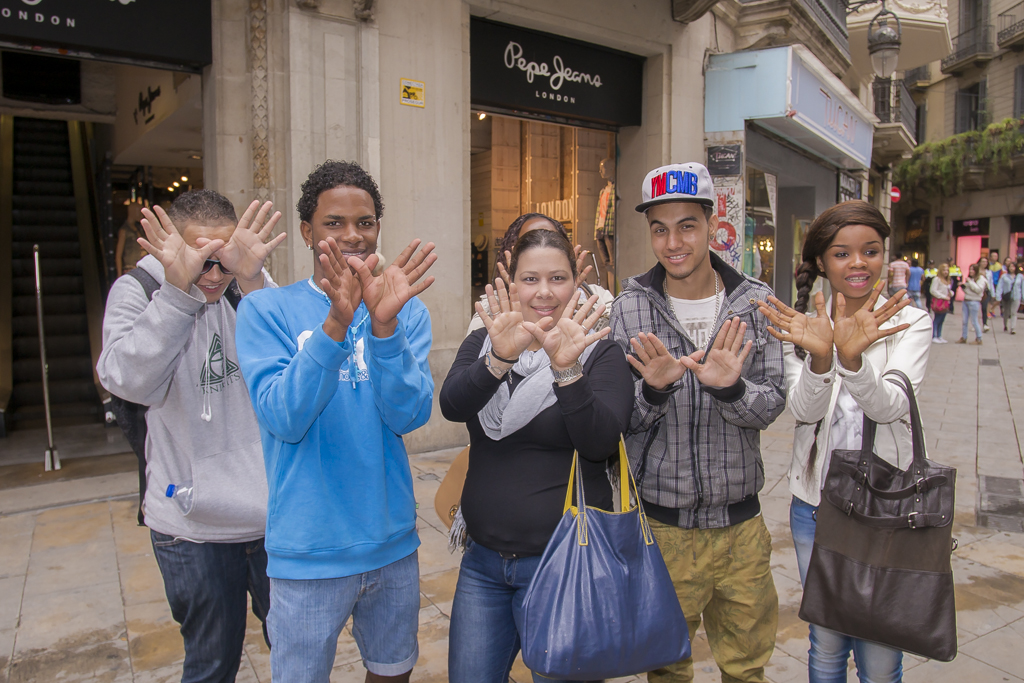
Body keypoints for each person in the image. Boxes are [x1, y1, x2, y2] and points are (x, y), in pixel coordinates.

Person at [234, 161, 436, 683]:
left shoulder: (402, 309)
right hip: (308, 555)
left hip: (391, 545)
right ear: (307, 231)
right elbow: (284, 416)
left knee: (392, 673)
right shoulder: (265, 310)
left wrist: (384, 328)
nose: (353, 235)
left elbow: (409, 414)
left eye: (365, 222)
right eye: (334, 223)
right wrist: (335, 325)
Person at [97, 190, 285, 683]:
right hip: (191, 527)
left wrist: (251, 278)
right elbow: (127, 381)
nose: (213, 274)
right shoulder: (139, 290)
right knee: (211, 663)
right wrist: (177, 294)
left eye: (221, 259)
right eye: (200, 258)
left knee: (296, 647)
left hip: (271, 517)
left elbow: (294, 366)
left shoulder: (247, 286)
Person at [610, 162, 785, 683]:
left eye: (687, 225)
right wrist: (654, 389)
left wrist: (730, 387)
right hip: (663, 529)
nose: (673, 242)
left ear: (713, 224)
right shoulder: (629, 309)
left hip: (742, 529)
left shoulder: (755, 304)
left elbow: (773, 403)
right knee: (665, 668)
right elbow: (621, 421)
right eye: (659, 229)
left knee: (747, 669)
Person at [440, 228, 633, 683]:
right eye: (530, 279)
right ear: (511, 285)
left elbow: (600, 442)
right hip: (483, 564)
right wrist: (498, 360)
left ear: (575, 283)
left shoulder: (599, 352)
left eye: (557, 278)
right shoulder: (486, 342)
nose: (544, 292)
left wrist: (567, 370)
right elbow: (453, 405)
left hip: (564, 564)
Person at [756, 200, 930, 683]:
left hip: (886, 505)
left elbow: (891, 406)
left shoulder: (909, 322)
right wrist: (820, 357)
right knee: (826, 643)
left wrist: (854, 361)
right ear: (822, 263)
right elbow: (805, 412)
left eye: (870, 251)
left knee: (878, 650)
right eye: (842, 253)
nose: (858, 263)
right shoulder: (805, 327)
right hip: (816, 505)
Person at [468, 213, 611, 334]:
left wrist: (572, 299)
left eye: (552, 240)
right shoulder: (489, 309)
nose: (543, 247)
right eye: (529, 241)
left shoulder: (598, 296)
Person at [115, 201, 147, 275]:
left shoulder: (139, 229)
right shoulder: (124, 231)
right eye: (139, 212)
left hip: (141, 268)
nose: (141, 215)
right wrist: (119, 275)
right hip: (130, 269)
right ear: (133, 212)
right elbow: (118, 255)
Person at [959, 262, 988, 345]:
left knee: (974, 320)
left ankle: (979, 338)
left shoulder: (981, 279)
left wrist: (970, 282)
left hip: (974, 301)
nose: (971, 271)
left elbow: (978, 290)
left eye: (973, 269)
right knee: (964, 320)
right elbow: (968, 291)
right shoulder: (970, 278)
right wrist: (963, 287)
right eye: (970, 269)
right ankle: (964, 337)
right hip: (966, 300)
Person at [997, 261, 1023, 334]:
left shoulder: (1020, 276)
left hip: (1016, 296)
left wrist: (1023, 297)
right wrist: (998, 296)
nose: (1012, 268)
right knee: (1006, 312)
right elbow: (1000, 286)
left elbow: (1022, 287)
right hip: (1007, 296)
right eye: (1010, 267)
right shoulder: (1004, 276)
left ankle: (1013, 328)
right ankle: (1005, 325)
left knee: (1013, 312)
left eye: (1013, 267)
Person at [930, 264, 953, 343]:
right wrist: (943, 296)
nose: (946, 272)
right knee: (937, 319)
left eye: (947, 270)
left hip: (946, 302)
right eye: (944, 270)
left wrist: (951, 293)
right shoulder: (937, 279)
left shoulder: (947, 281)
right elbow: (933, 290)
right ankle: (934, 336)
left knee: (942, 319)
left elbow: (948, 291)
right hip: (939, 301)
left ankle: (939, 335)